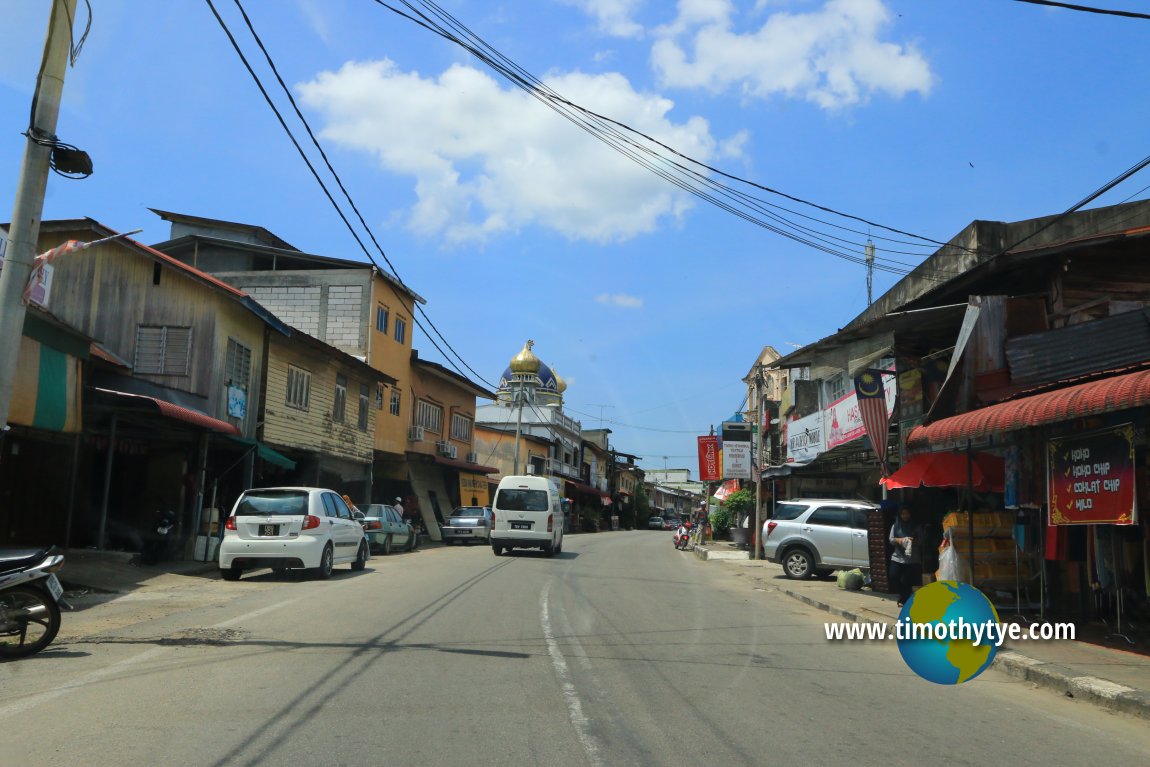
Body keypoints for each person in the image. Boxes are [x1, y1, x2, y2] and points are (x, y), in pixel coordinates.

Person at [889, 505, 922, 607]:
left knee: (907, 580)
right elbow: (891, 539)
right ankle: (903, 595)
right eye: (903, 514)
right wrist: (899, 540)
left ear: (911, 514)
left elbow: (922, 540)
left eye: (907, 513)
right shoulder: (896, 525)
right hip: (897, 556)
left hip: (911, 558)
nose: (905, 516)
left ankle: (904, 599)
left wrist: (913, 541)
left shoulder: (916, 526)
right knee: (893, 576)